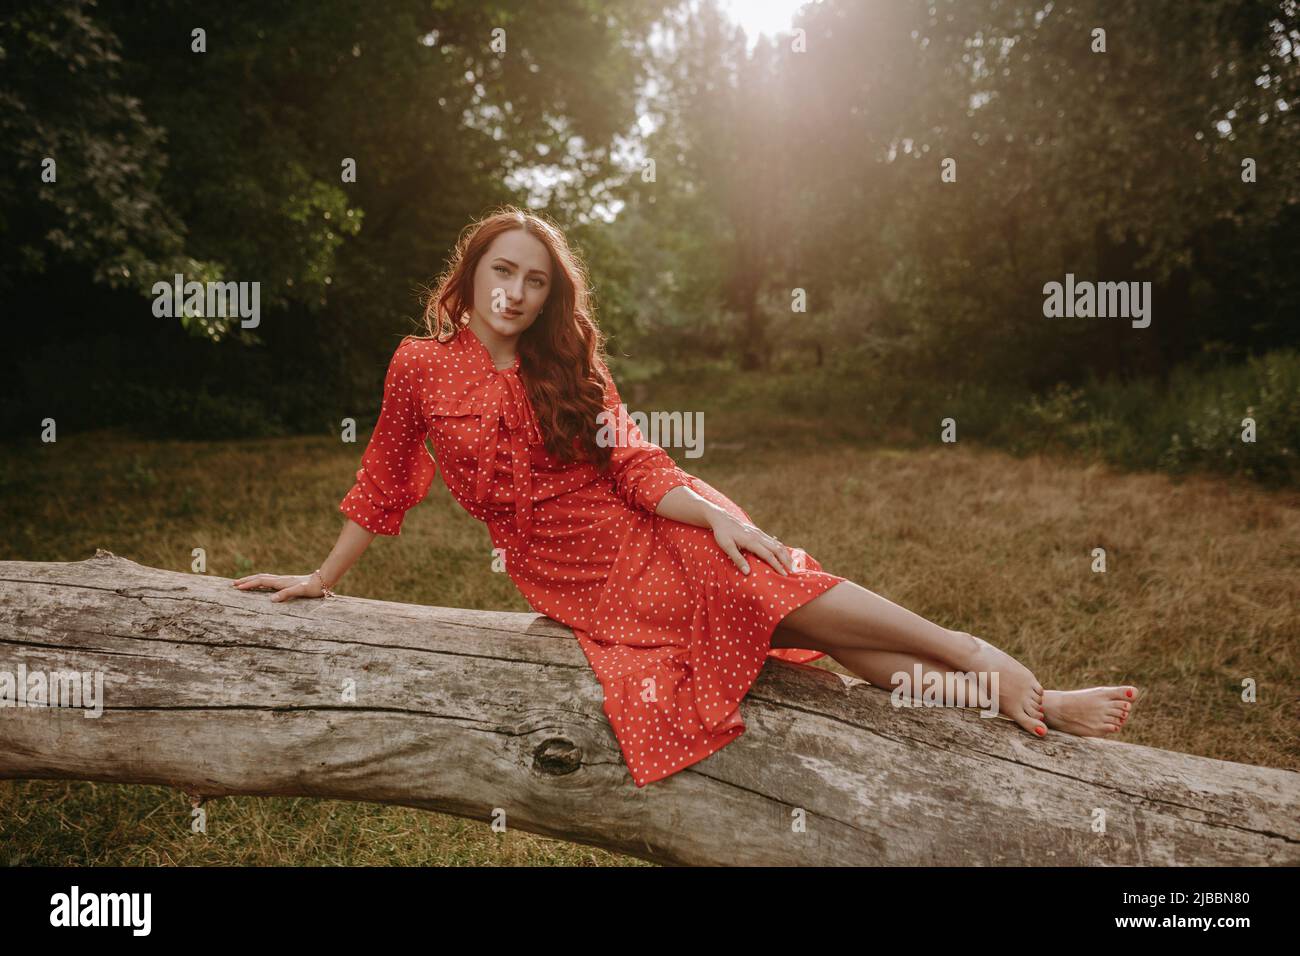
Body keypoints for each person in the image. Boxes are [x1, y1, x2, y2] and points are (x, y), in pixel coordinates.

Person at [233, 206, 1137, 788]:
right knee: (800, 621)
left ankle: (999, 674)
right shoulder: (418, 366)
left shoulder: (565, 364)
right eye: (502, 271)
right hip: (575, 576)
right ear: (469, 273)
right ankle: (1014, 685)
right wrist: (323, 577)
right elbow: (385, 479)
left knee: (782, 596)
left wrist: (710, 511)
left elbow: (630, 462)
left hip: (657, 524)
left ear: (551, 297)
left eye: (535, 280)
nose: (515, 291)